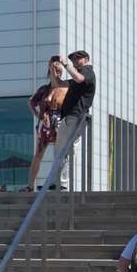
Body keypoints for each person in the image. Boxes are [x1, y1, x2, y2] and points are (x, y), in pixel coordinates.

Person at [41, 51, 95, 189]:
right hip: (70, 117)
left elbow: (79, 78)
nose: (75, 61)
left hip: (76, 116)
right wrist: (52, 69)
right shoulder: (78, 76)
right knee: (61, 150)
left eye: (78, 58)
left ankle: (62, 183)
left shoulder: (87, 70)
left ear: (86, 59)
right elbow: (59, 83)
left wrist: (65, 64)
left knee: (66, 149)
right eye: (73, 59)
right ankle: (59, 182)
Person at [23, 57, 67, 191]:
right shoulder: (44, 89)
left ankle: (59, 182)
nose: (55, 74)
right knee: (38, 154)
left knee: (61, 154)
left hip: (59, 123)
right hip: (46, 124)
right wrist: (39, 116)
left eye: (58, 72)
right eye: (54, 72)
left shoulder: (65, 88)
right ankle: (30, 185)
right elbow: (31, 102)